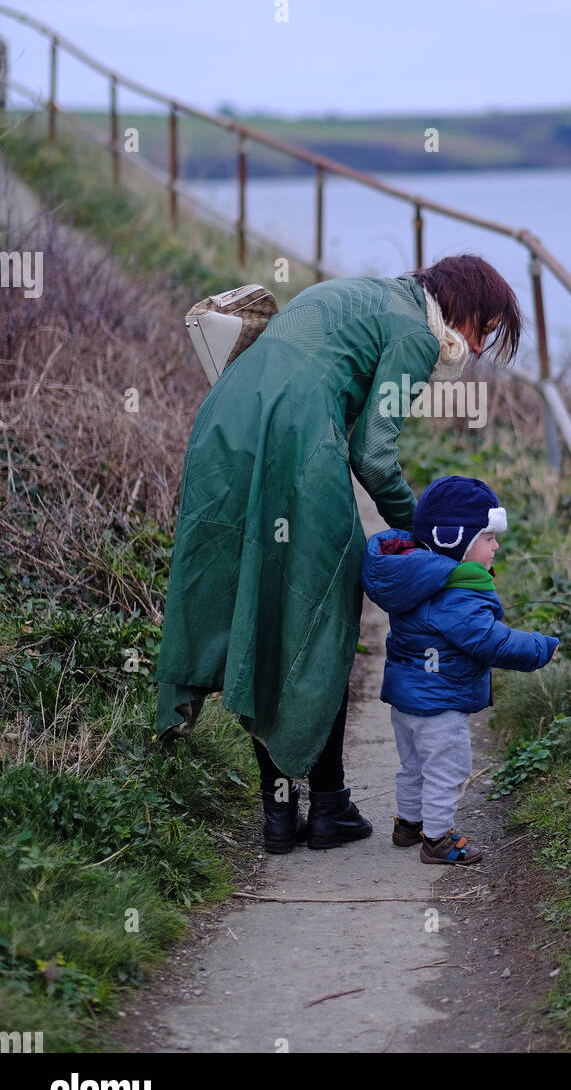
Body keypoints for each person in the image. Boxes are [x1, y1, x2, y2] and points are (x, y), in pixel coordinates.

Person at [154, 255, 522, 854]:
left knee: (261, 605)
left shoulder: (364, 293)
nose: (478, 350)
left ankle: (280, 817)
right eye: (484, 331)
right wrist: (429, 539)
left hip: (222, 429)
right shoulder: (414, 334)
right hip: (292, 442)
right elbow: (374, 454)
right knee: (322, 612)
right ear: (463, 308)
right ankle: (326, 807)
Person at [361, 475, 560, 865]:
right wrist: (542, 646)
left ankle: (408, 824)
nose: (496, 546)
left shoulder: (414, 576)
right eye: (488, 538)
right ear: (456, 539)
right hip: (439, 703)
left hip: (406, 698)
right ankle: (437, 840)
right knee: (447, 769)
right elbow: (494, 642)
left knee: (414, 766)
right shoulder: (456, 593)